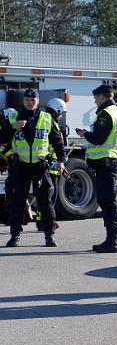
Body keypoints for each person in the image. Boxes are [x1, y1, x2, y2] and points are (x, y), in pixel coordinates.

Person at [0, 89, 66, 247]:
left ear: (38, 102)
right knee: (17, 202)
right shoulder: (14, 117)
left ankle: (49, 235)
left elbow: (57, 143)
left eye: (33, 99)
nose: (30, 102)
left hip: (39, 166)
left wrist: (61, 161)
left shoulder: (47, 118)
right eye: (28, 99)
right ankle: (15, 235)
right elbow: (2, 137)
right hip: (20, 166)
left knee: (45, 202)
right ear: (24, 101)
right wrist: (13, 127)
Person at [76, 84, 117, 253]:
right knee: (108, 201)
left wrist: (85, 134)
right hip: (110, 162)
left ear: (103, 97)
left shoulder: (105, 113)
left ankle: (112, 242)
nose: (95, 101)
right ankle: (111, 240)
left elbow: (98, 139)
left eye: (96, 98)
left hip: (106, 163)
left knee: (108, 202)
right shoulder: (116, 112)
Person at [33, 98, 68, 231]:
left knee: (45, 197)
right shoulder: (51, 123)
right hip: (51, 167)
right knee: (49, 198)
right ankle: (46, 223)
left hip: (49, 165)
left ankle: (43, 222)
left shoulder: (45, 121)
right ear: (57, 110)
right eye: (60, 113)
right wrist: (60, 161)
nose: (61, 116)